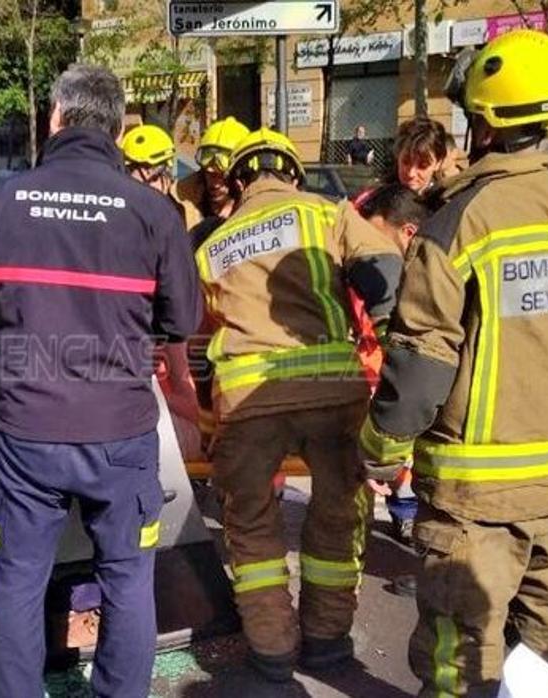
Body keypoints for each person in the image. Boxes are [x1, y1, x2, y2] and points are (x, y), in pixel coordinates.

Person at [356, 30, 548, 696]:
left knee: (458, 664)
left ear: (484, 123)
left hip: (472, 506)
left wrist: (381, 449)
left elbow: (419, 366)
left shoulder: (458, 226)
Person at [0, 64, 203, 698]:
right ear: (118, 129)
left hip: (27, 433)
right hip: (120, 434)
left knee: (18, 581)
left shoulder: (1, 202)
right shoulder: (152, 212)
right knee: (127, 580)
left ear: (54, 119)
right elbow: (183, 319)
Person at [195, 127, 402, 681]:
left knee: (252, 526)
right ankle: (327, 641)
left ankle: (272, 649)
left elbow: (198, 328)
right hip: (333, 393)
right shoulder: (324, 212)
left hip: (246, 400)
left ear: (238, 182)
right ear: (292, 172)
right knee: (337, 512)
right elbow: (383, 268)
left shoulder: (212, 242)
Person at [354, 184, 435, 545]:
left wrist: (382, 459)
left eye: (374, 239)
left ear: (408, 233)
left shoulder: (422, 284)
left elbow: (412, 383)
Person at [121, 123, 203, 460]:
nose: (148, 183)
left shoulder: (171, 214)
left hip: (162, 343)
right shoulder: (158, 214)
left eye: (154, 175)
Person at [176, 116, 250, 246]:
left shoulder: (255, 207)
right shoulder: (181, 202)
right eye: (209, 175)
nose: (214, 184)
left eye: (222, 177)